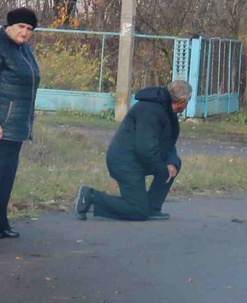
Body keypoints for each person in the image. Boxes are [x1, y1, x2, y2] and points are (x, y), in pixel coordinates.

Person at [76, 79, 190, 220]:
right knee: (137, 211)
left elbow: (168, 142)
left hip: (137, 160)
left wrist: (171, 162)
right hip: (124, 162)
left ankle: (152, 208)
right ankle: (90, 197)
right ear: (183, 101)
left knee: (173, 164)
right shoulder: (150, 110)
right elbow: (145, 148)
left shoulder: (167, 110)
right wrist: (162, 170)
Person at [0, 8, 41, 239]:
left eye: (29, 29)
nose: (25, 32)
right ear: (9, 25)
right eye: (21, 27)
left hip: (16, 127)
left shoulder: (23, 50)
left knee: (7, 177)